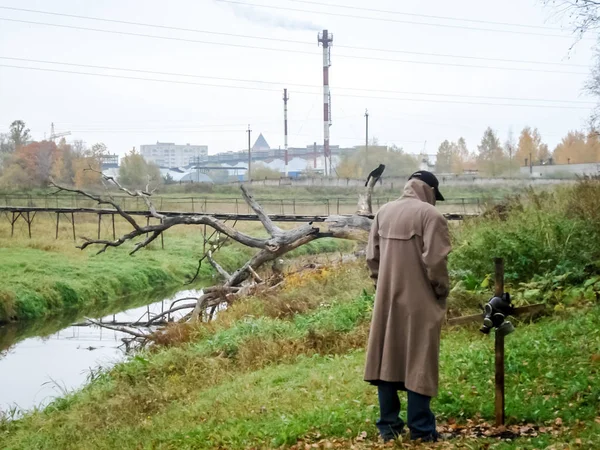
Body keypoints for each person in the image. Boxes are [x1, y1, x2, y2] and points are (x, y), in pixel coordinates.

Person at [364, 170, 452, 443]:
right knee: (419, 359)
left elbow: (372, 258)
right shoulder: (431, 216)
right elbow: (436, 263)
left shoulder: (383, 213)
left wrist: (382, 287)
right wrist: (441, 292)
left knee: (387, 358)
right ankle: (422, 430)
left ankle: (388, 428)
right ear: (429, 190)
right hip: (420, 300)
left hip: (387, 300)